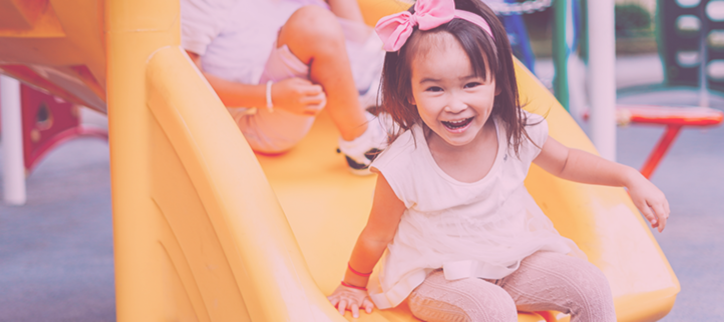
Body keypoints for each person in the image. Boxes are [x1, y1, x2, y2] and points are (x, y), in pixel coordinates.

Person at [326, 0, 671, 320]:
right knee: (492, 308)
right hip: (436, 277)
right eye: (435, 89)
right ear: (409, 94)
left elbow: (565, 161)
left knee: (589, 283)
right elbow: (376, 235)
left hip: (511, 261)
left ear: (498, 84)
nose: (455, 103)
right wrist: (353, 284)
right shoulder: (404, 164)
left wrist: (629, 177)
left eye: (471, 84)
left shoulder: (513, 129)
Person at [181, 0, 388, 174]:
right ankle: (363, 144)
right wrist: (271, 96)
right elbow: (186, 82)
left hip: (296, 73)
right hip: (259, 111)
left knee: (313, 22)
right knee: (313, 23)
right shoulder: (196, 7)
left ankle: (365, 76)